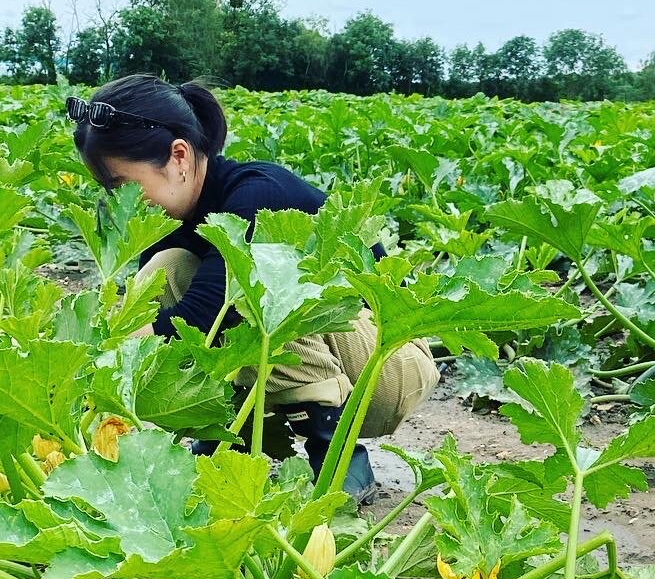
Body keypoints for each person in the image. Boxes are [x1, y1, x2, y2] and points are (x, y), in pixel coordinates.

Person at [67, 75, 439, 502]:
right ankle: (224, 441)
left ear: (179, 156)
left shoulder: (258, 193)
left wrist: (106, 354)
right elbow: (162, 322)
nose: (120, 203)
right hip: (342, 358)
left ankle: (338, 462)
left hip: (386, 367)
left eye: (123, 185)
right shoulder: (162, 224)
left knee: (260, 300)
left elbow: (200, 316)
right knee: (165, 270)